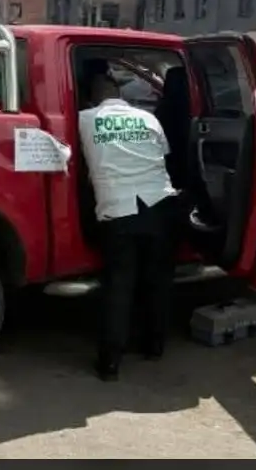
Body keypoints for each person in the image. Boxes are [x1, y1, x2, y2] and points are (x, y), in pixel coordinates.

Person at [77, 59, 180, 382]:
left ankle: (110, 362)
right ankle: (154, 346)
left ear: (93, 97)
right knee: (157, 280)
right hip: (160, 205)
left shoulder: (84, 119)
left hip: (119, 210)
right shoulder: (148, 118)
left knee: (119, 286)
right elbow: (163, 154)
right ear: (121, 93)